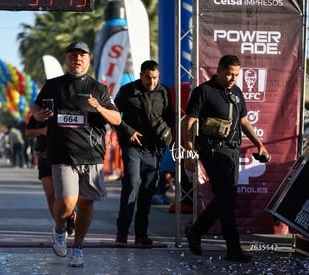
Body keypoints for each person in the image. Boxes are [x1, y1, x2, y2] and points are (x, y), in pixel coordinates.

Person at [31, 41, 121, 267]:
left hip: (92, 155)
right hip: (63, 154)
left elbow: (117, 119)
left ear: (88, 60)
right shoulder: (53, 85)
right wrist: (39, 115)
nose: (77, 60)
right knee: (68, 202)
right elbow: (35, 107)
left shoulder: (98, 88)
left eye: (82, 56)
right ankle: (60, 230)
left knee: (86, 205)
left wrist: (98, 108)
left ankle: (78, 247)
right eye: (73, 56)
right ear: (66, 60)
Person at [183, 55, 270, 263]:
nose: (233, 78)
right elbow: (189, 121)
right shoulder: (203, 91)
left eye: (236, 75)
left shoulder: (236, 93)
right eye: (229, 74)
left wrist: (259, 143)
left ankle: (196, 230)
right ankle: (233, 249)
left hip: (231, 152)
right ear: (219, 70)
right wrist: (189, 150)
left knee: (226, 198)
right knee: (226, 197)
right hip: (211, 150)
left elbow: (244, 122)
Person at [114, 60, 175, 245]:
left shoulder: (164, 91)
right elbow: (114, 116)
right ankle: (122, 233)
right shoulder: (128, 91)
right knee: (132, 183)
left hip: (154, 149)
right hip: (132, 146)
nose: (152, 81)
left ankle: (141, 234)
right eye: (148, 77)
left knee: (148, 190)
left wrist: (170, 133)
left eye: (155, 77)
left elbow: (169, 116)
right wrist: (127, 131)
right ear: (141, 75)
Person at [25, 114, 76, 236]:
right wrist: (42, 131)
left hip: (64, 156)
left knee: (64, 195)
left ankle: (69, 216)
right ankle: (60, 225)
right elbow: (28, 132)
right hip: (45, 156)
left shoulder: (66, 109)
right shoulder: (40, 112)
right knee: (50, 194)